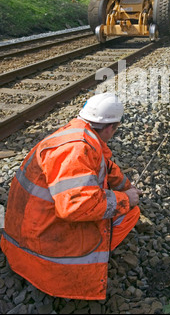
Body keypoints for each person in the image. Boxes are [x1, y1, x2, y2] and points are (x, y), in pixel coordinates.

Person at [0, 93, 142, 300]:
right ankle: (83, 262)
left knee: (121, 206)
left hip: (28, 232)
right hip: (42, 258)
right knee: (128, 214)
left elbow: (107, 168)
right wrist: (126, 200)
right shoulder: (77, 150)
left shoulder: (76, 135)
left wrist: (128, 189)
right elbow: (77, 207)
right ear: (111, 127)